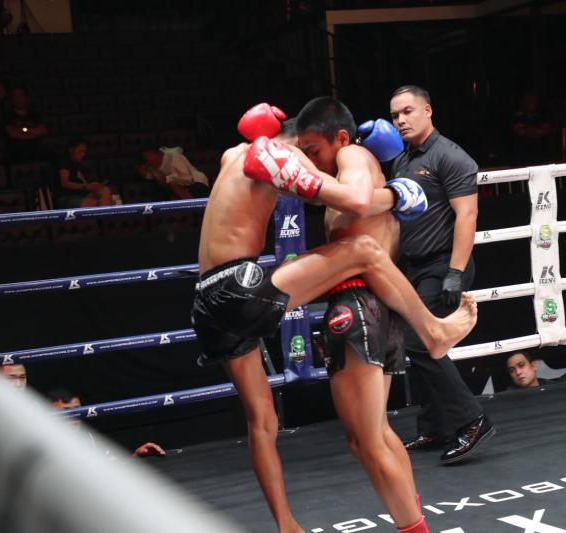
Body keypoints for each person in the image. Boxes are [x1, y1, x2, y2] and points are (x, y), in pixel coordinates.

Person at [192, 103, 477, 532]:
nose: (316, 161)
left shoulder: (235, 154)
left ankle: (286, 524)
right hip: (239, 287)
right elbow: (354, 199)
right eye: (310, 151)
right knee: (363, 251)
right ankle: (433, 330)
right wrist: (398, 194)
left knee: (263, 421)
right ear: (300, 143)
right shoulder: (282, 155)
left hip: (206, 305)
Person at [296, 96, 431, 533]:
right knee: (372, 437)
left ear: (340, 138)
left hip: (357, 303)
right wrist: (393, 196)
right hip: (375, 306)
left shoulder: (352, 156)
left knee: (368, 442)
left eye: (313, 150)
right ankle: (415, 520)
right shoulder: (353, 167)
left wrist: (391, 195)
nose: (310, 160)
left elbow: (355, 200)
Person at [388, 84, 494, 464]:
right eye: (395, 115)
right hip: (414, 267)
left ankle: (473, 420)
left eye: (407, 111)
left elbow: (467, 215)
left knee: (421, 342)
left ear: (428, 110)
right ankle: (436, 426)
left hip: (444, 265)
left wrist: (455, 273)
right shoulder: (401, 160)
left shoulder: (451, 156)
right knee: (416, 345)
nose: (401, 120)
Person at [48, 389, 165, 458]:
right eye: (66, 411)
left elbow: (113, 466)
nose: (74, 416)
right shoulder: (45, 445)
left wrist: (136, 455)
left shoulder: (87, 438)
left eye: (77, 410)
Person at [56, 139, 113, 208]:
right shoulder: (65, 162)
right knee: (95, 203)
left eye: (84, 152)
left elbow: (85, 182)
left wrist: (93, 185)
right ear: (71, 149)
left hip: (81, 195)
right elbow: (65, 183)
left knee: (105, 191)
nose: (83, 154)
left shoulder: (78, 164)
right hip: (68, 197)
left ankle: (104, 213)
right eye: (80, 151)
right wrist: (85, 186)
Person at [138, 146, 210, 200]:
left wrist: (168, 178)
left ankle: (193, 206)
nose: (147, 160)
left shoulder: (174, 156)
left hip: (197, 182)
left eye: (147, 156)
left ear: (154, 153)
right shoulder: (153, 166)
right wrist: (144, 173)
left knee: (172, 185)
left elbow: (188, 178)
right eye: (145, 159)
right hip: (182, 187)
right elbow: (154, 177)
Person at [3, 85, 50, 163]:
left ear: (26, 97)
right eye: (15, 96)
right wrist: (34, 132)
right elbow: (13, 134)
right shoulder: (7, 115)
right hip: (15, 151)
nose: (18, 99)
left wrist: (24, 130)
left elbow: (43, 131)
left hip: (36, 150)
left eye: (21, 95)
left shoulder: (34, 114)